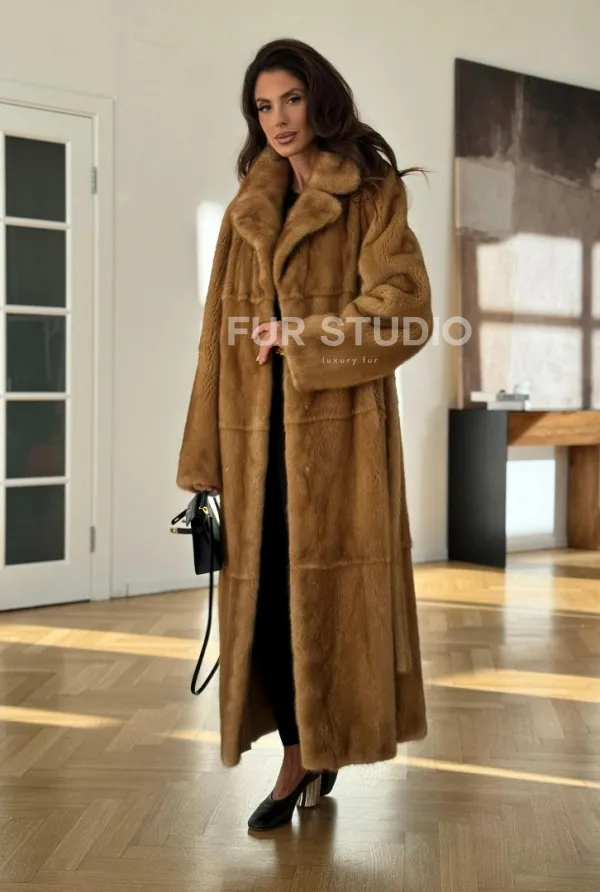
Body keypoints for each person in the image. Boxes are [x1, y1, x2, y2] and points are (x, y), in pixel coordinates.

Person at [176, 37, 433, 832]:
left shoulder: (370, 194)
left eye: (290, 99)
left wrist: (306, 335)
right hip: (253, 440)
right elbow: (217, 337)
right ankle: (301, 750)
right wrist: (204, 454)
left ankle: (307, 759)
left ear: (319, 99)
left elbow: (406, 309)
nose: (279, 119)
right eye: (264, 106)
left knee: (322, 606)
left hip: (340, 440)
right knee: (270, 608)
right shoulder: (247, 209)